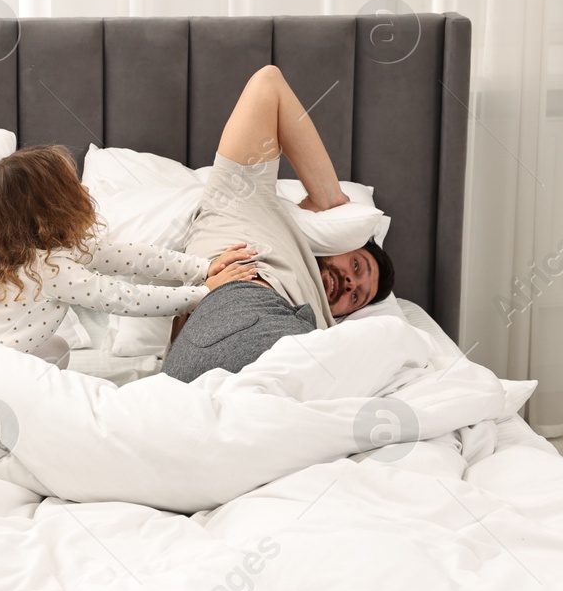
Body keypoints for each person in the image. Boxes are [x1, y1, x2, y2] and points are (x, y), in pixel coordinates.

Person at [163, 64, 395, 382]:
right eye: (357, 266)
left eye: (357, 298)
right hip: (237, 306)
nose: (351, 285)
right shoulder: (244, 200)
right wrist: (329, 200)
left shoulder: (326, 329)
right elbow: (267, 83)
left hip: (301, 339)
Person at [0, 145, 260, 365]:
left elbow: (132, 257)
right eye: (74, 187)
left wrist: (203, 267)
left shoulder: (48, 250)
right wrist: (202, 294)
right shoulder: (47, 269)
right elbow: (125, 297)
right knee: (54, 350)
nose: (85, 190)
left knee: (54, 348)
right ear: (52, 208)